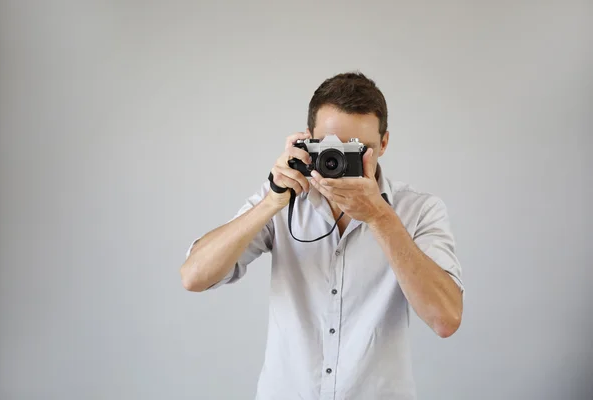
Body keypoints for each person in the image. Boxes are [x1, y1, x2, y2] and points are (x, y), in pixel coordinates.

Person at [180, 72, 464, 400]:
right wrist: (272, 201)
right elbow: (193, 276)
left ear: (384, 144)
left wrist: (379, 216)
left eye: (359, 150)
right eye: (332, 149)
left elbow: (445, 319)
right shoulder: (284, 200)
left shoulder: (419, 209)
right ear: (307, 140)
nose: (341, 162)